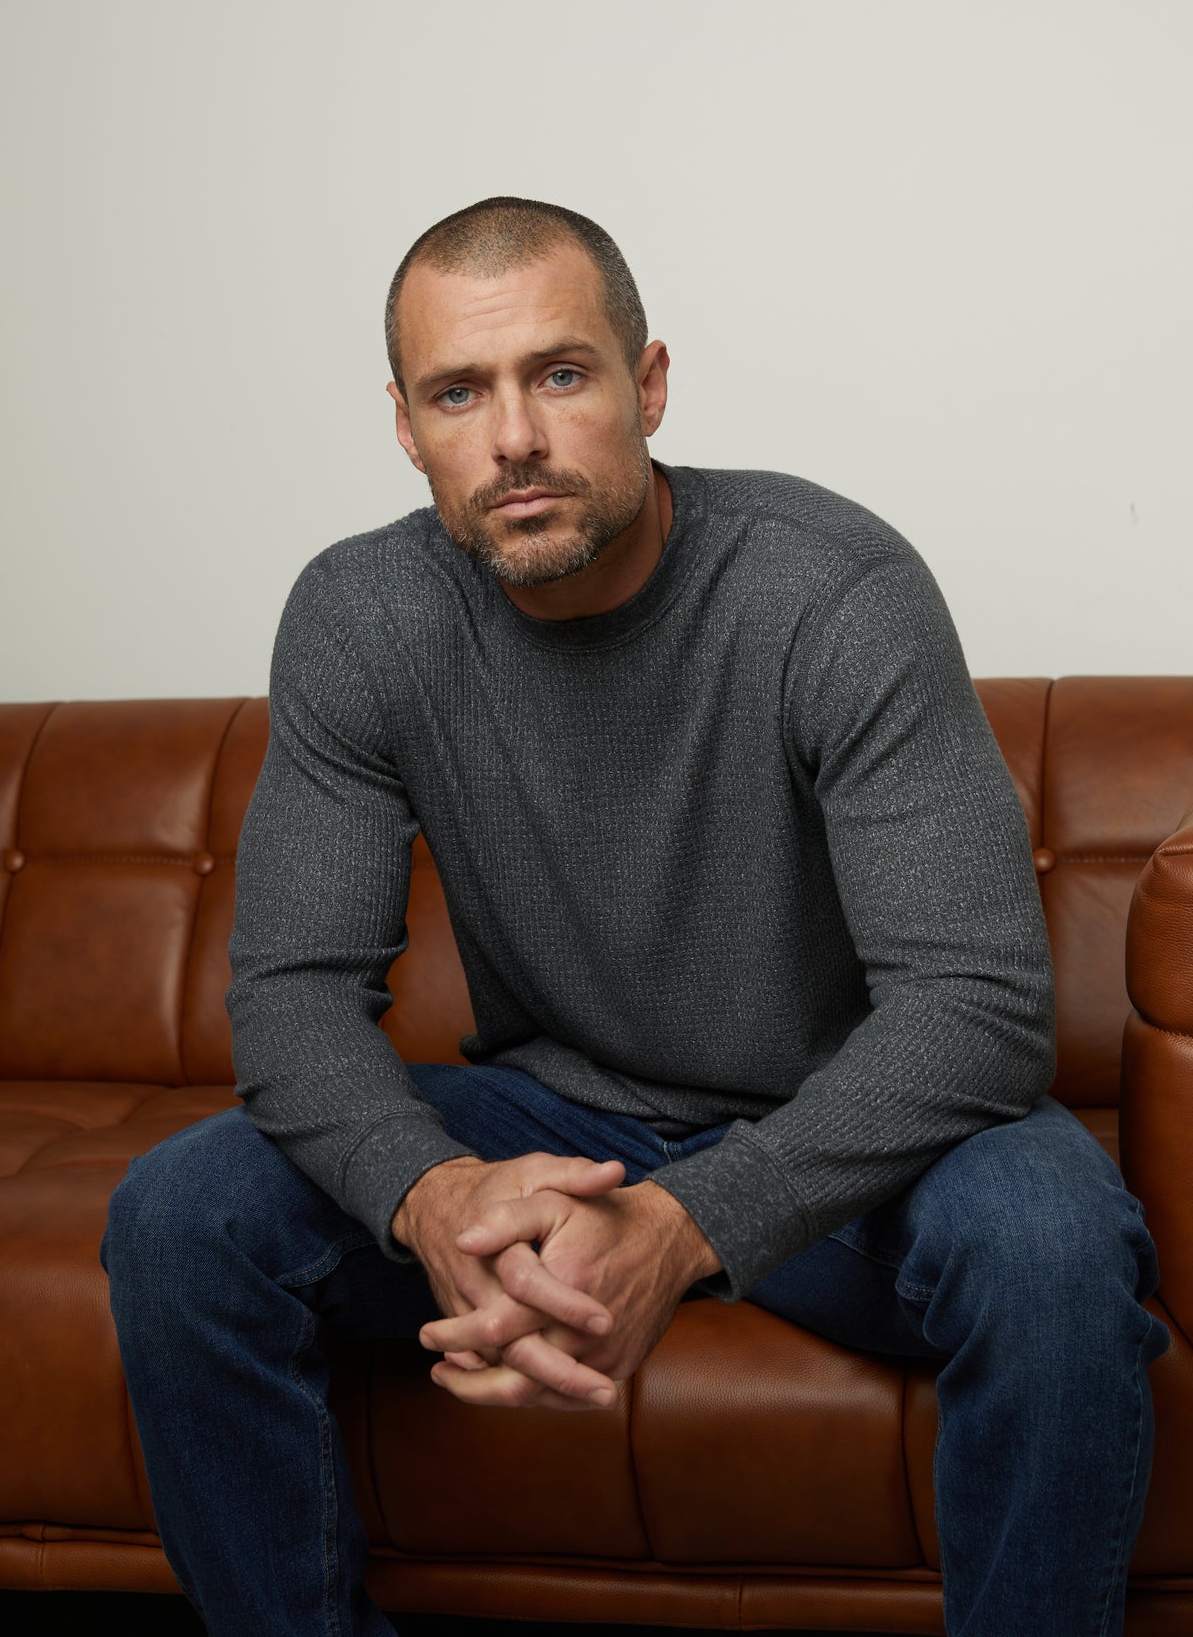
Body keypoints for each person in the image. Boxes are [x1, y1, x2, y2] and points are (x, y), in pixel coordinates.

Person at [101, 195, 1170, 1637]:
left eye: (559, 373)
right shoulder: (363, 617)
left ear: (648, 384)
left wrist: (688, 1224)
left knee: (1054, 1255)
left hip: (861, 1146)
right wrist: (436, 1197)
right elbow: (292, 998)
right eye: (458, 393)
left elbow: (976, 1011)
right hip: (558, 1126)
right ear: (409, 430)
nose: (514, 440)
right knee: (182, 1215)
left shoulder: (830, 588)